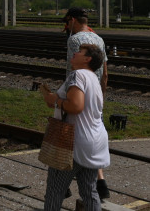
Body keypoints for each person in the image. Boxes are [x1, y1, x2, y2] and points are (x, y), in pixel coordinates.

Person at [42, 43, 110, 211]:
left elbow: (75, 106)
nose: (75, 53)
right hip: (96, 140)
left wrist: (55, 101)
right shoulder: (93, 78)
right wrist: (55, 99)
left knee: (55, 190)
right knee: (89, 191)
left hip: (74, 141)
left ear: (87, 59)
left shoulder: (77, 75)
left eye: (80, 52)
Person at [62, 7, 110, 200]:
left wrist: (65, 97)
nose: (67, 27)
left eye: (67, 23)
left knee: (66, 135)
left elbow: (71, 69)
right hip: (95, 92)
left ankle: (63, 183)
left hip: (79, 92)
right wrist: (101, 95)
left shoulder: (74, 41)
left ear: (72, 20)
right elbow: (105, 73)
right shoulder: (99, 39)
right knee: (93, 133)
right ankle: (101, 181)